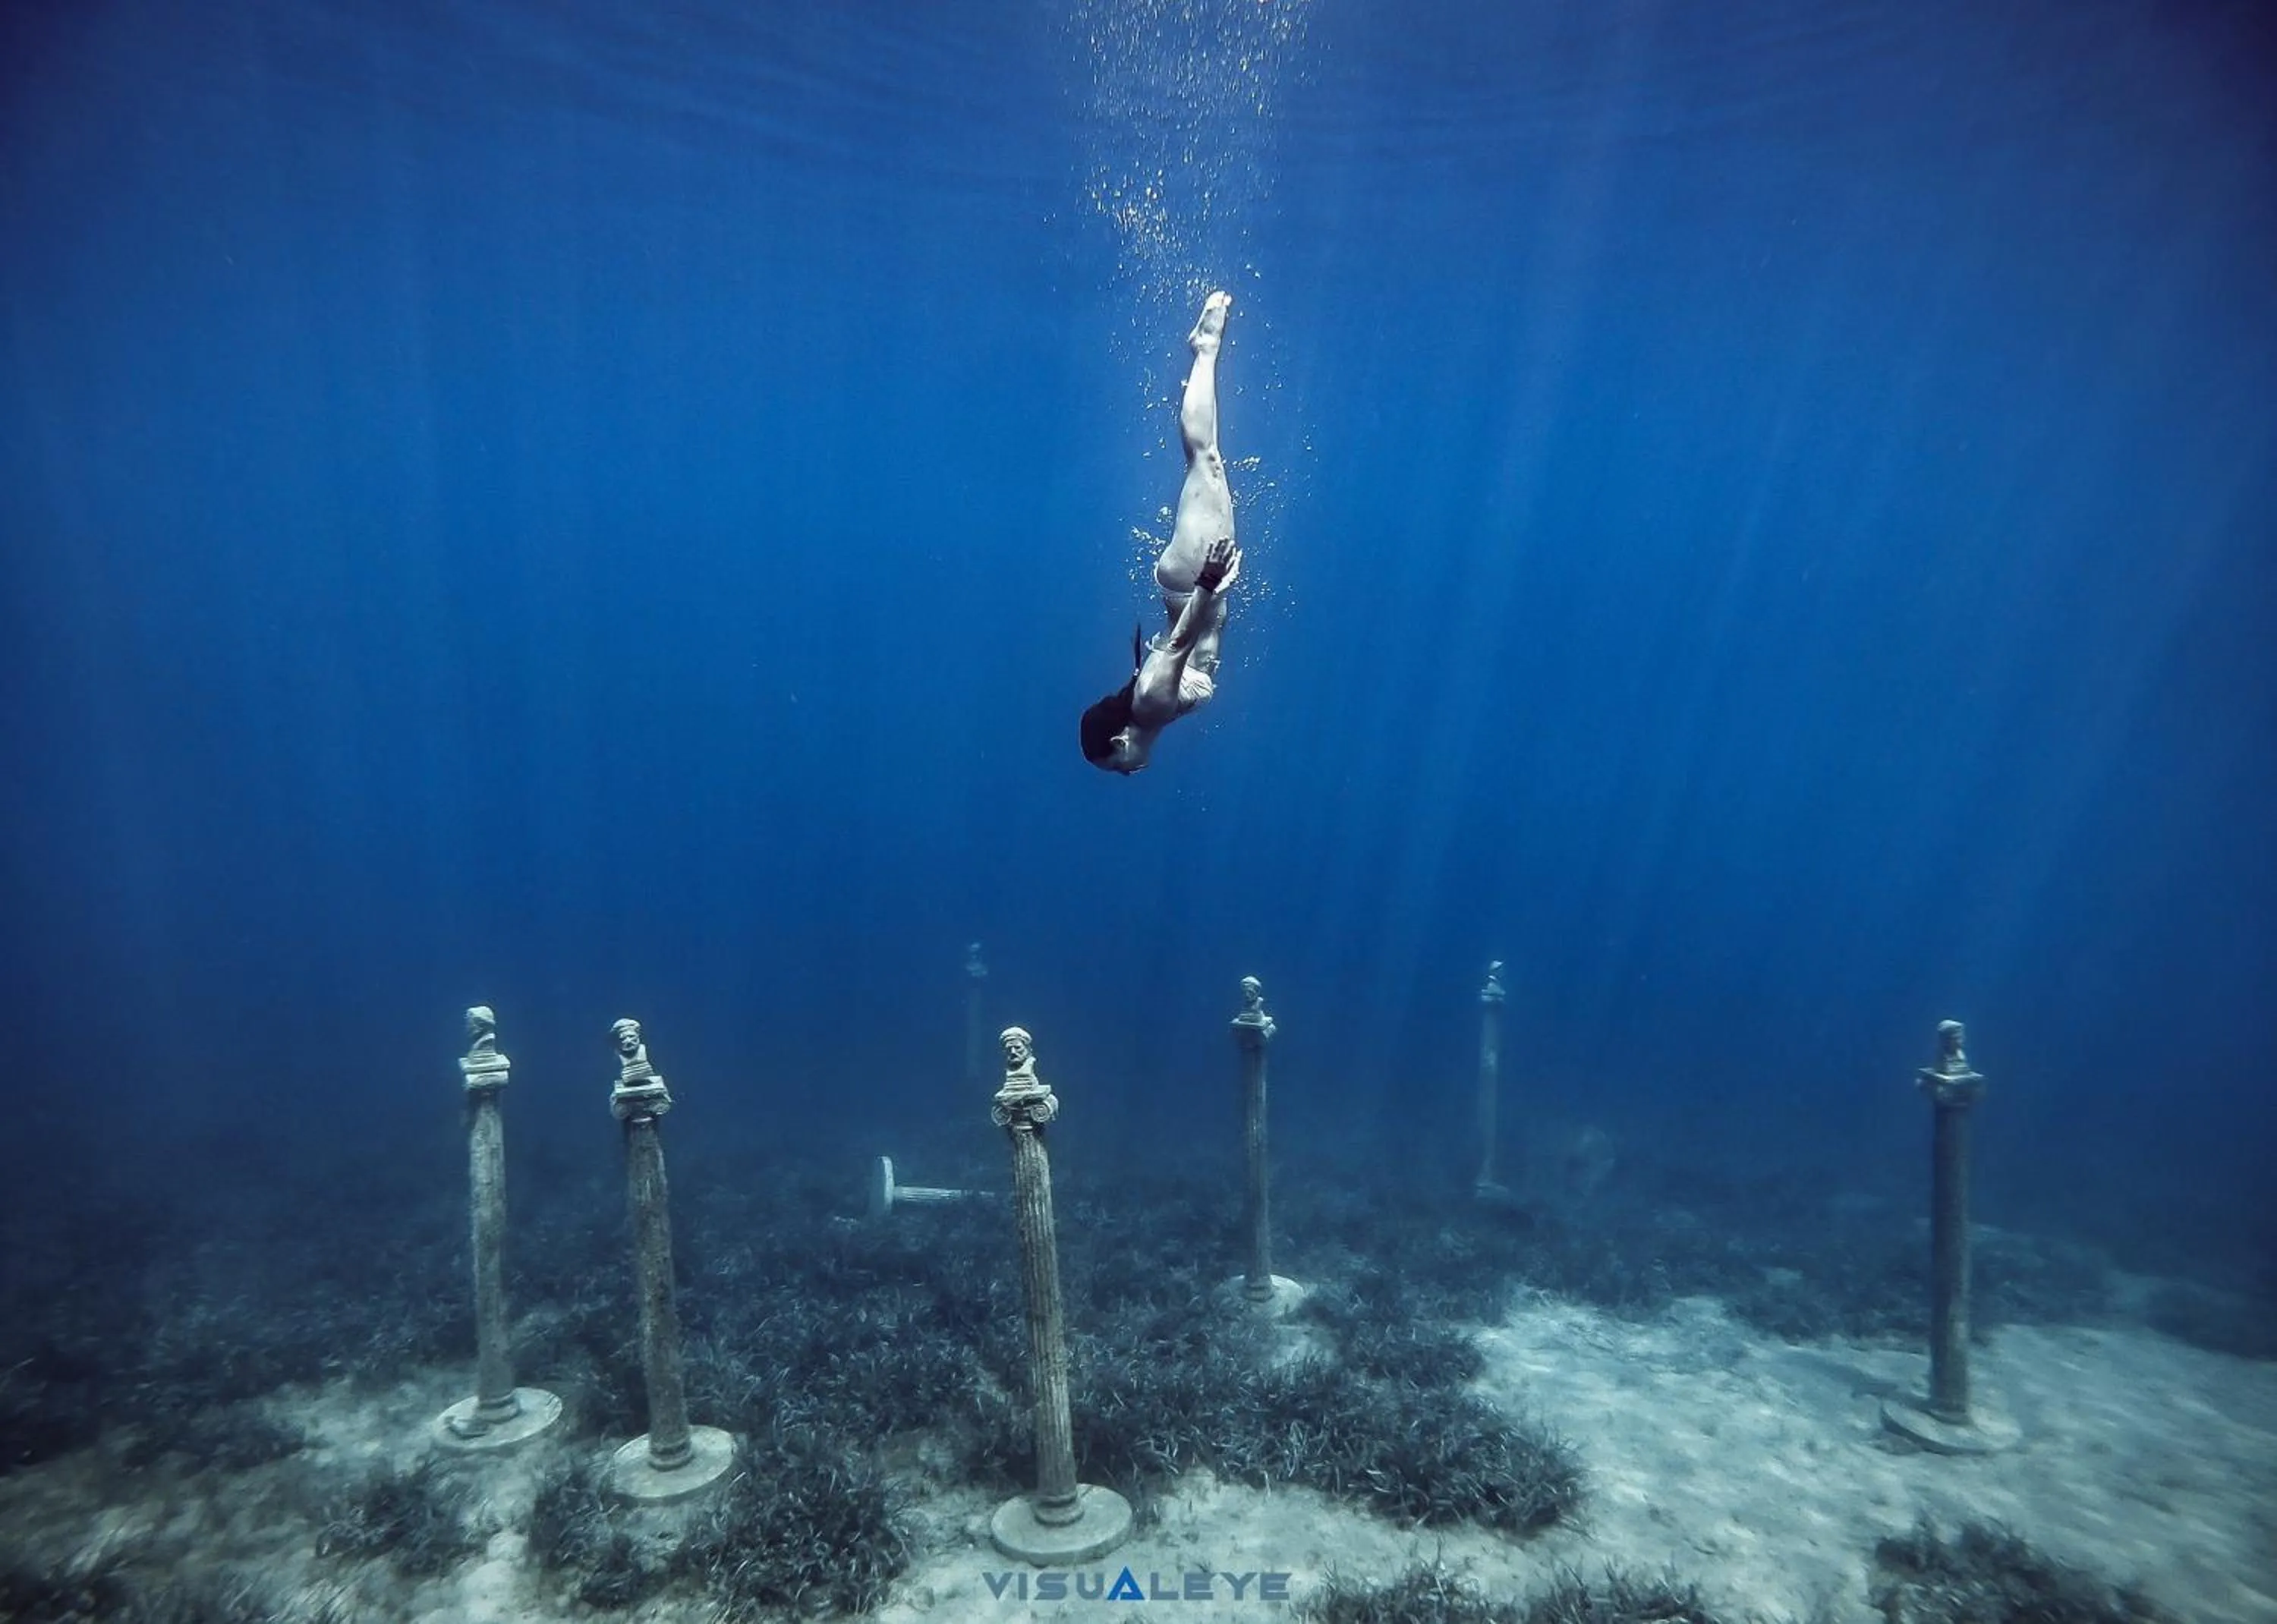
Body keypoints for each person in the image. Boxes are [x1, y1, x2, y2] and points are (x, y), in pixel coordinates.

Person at [1080, 291, 1243, 773]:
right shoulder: (1148, 715)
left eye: (1119, 765)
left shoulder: (1150, 704)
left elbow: (1176, 647)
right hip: (1187, 586)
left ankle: (1205, 347)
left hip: (1194, 579)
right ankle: (1205, 352)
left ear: (1118, 740)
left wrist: (1208, 584)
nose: (1130, 772)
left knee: (1206, 460)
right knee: (1207, 464)